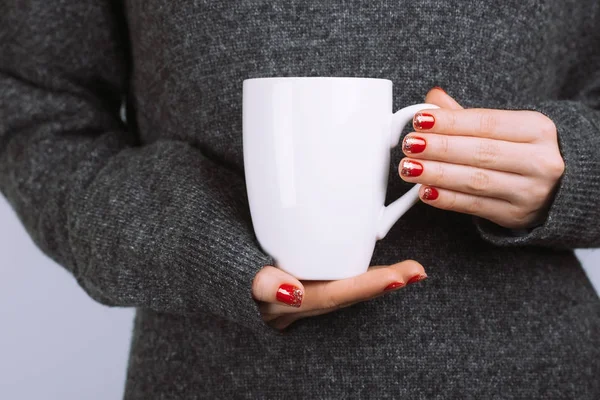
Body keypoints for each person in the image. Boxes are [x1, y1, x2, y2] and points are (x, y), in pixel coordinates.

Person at [1, 1, 598, 398]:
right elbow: (36, 112)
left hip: (535, 374)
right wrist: (185, 239)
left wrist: (580, 168)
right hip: (216, 376)